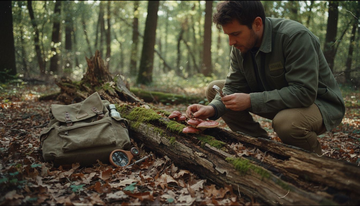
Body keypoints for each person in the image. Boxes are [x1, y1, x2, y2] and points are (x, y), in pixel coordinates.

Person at [186, 1, 345, 155]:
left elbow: (304, 92)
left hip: (319, 103)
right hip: (278, 98)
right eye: (228, 35)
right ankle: (263, 147)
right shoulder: (240, 47)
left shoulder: (294, 36)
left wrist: (250, 100)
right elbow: (233, 87)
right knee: (215, 89)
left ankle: (314, 166)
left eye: (235, 34)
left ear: (257, 24)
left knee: (286, 123)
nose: (231, 42)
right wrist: (211, 109)